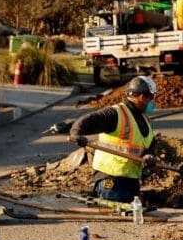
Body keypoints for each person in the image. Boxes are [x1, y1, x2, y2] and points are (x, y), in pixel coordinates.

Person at [67, 75, 159, 203]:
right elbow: (88, 120)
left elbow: (149, 144)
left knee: (131, 216)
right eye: (152, 97)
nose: (152, 103)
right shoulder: (116, 113)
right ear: (143, 97)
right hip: (111, 181)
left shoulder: (144, 120)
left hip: (131, 181)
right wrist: (76, 134)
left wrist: (150, 155)